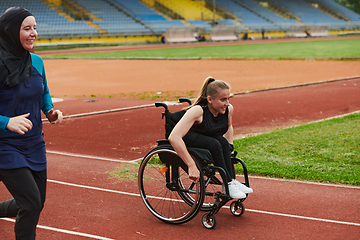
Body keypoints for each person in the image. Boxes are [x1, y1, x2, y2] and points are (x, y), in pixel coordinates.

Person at [0, 7, 63, 239]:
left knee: (35, 203)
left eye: (35, 27)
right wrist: (6, 122)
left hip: (35, 143)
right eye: (27, 28)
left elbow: (43, 91)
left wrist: (50, 111)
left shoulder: (37, 61)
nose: (33, 33)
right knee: (30, 204)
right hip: (5, 145)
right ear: (10, 31)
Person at [168, 76, 253, 199]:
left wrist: (229, 150)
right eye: (223, 100)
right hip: (186, 136)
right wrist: (191, 165)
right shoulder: (198, 111)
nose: (227, 103)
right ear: (209, 99)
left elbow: (229, 127)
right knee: (215, 144)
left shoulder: (228, 109)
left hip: (206, 136)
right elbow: (174, 137)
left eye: (228, 98)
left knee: (223, 143)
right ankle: (228, 183)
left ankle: (231, 182)